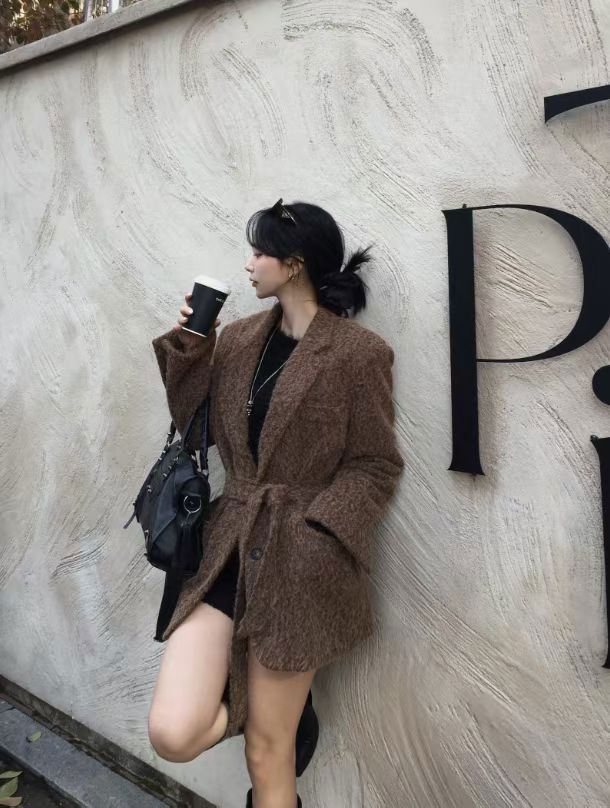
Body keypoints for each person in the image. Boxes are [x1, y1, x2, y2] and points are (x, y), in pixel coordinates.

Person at [147, 198, 404, 808]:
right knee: (173, 733)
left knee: (268, 754)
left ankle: (279, 723)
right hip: (228, 544)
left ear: (294, 264)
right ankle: (276, 711)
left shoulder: (358, 354)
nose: (249, 264)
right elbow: (196, 426)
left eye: (260, 253)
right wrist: (192, 344)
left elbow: (376, 463)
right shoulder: (238, 340)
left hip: (299, 564)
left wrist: (321, 533)